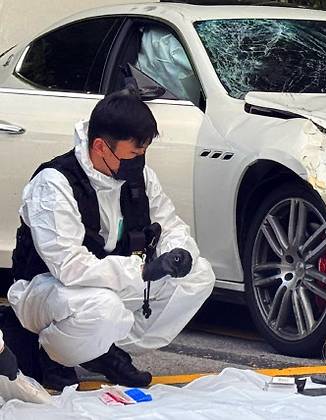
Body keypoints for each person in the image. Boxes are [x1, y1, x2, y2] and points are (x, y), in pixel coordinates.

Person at [7, 91, 215, 390]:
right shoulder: (54, 183)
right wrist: (142, 271)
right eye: (132, 154)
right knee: (102, 308)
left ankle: (99, 350)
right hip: (45, 291)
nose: (139, 161)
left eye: (144, 152)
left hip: (108, 283)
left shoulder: (138, 177)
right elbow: (69, 267)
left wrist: (177, 252)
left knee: (198, 276)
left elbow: (168, 222)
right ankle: (55, 354)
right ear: (101, 147)